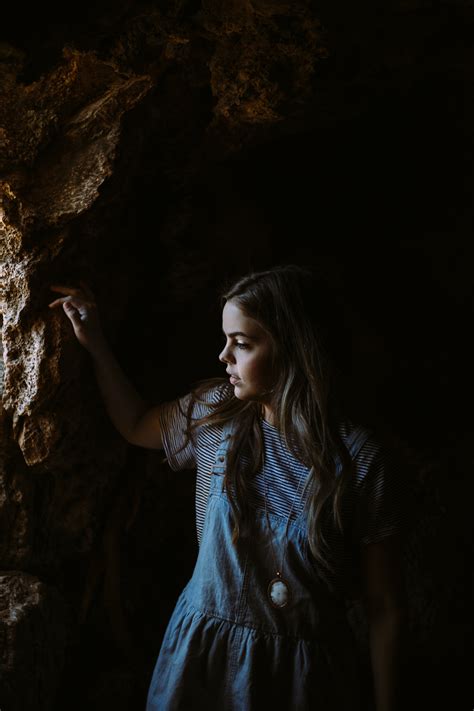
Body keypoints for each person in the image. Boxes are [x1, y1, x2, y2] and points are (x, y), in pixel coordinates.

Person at [49, 265, 406, 711]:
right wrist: (95, 343)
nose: (224, 357)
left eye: (242, 343)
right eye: (226, 340)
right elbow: (136, 424)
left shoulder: (360, 458)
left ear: (294, 348)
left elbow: (384, 606)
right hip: (201, 661)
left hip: (302, 678)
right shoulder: (213, 414)